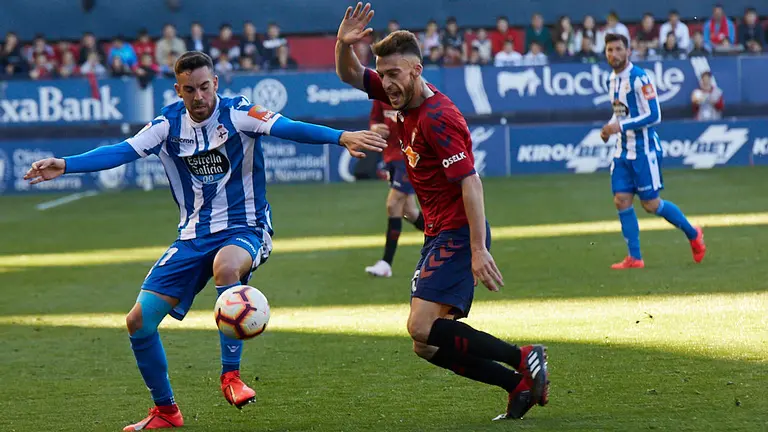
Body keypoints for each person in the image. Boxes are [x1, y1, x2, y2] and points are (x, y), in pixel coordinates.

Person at [23, 50, 386, 431]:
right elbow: (121, 151)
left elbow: (288, 126)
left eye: (205, 87)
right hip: (193, 235)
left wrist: (341, 136)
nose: (199, 97)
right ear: (178, 90)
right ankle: (165, 410)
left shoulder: (239, 113)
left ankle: (231, 376)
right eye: (190, 89)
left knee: (226, 267)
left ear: (216, 83)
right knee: (138, 322)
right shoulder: (167, 123)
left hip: (246, 227)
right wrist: (65, 164)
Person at [334, 3, 549, 420]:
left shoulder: (439, 117)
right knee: (427, 344)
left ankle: (523, 356)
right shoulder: (400, 92)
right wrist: (345, 44)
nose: (387, 84)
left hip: (457, 230)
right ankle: (516, 383)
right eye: (384, 74)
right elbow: (348, 73)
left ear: (415, 70)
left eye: (394, 74)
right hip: (438, 232)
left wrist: (477, 249)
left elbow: (471, 181)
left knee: (420, 327)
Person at [599, 34, 706, 269]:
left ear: (628, 51)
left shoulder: (640, 78)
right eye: (609, 50)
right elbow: (620, 113)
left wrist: (621, 126)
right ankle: (635, 257)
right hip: (622, 152)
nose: (613, 54)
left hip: (644, 151)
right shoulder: (612, 79)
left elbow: (654, 115)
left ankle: (693, 233)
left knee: (651, 205)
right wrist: (609, 128)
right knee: (621, 200)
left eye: (618, 49)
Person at [365, 99, 424, 278]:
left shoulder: (413, 92)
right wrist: (375, 128)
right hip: (391, 156)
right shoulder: (380, 95)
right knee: (409, 211)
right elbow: (374, 120)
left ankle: (385, 263)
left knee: (392, 204)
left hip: (409, 156)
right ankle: (455, 238)